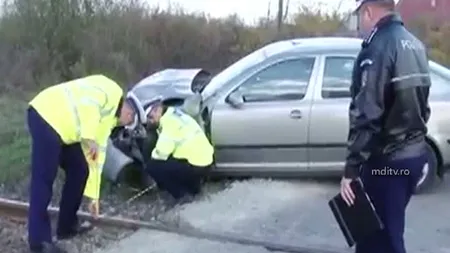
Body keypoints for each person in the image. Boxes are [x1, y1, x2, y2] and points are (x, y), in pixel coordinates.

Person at [339, 1, 431, 253]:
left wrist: (351, 170)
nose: (360, 23)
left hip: (387, 164)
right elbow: (423, 105)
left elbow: (367, 114)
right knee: (377, 233)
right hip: (413, 157)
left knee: (383, 239)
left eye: (360, 16)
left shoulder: (378, 47)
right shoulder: (415, 44)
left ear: (368, 11)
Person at [27, 75, 138, 253]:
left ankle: (66, 226)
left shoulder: (108, 121)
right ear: (129, 109)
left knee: (80, 169)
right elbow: (90, 101)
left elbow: (96, 158)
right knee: (43, 179)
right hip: (45, 115)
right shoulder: (111, 90)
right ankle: (39, 243)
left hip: (63, 130)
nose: (124, 122)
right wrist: (88, 135)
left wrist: (94, 198)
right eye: (129, 119)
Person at [144, 98, 214, 206]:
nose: (150, 121)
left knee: (152, 166)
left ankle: (182, 197)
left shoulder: (169, 123)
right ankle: (194, 189)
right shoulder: (175, 114)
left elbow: (161, 154)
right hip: (205, 160)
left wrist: (150, 156)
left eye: (150, 117)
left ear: (157, 110)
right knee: (171, 164)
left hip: (195, 165)